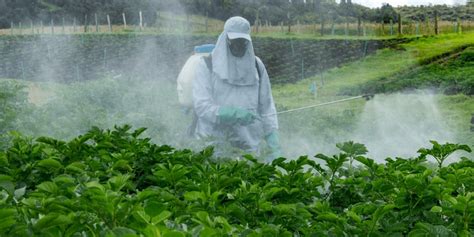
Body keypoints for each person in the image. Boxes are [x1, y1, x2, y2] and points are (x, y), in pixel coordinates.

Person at [192, 16, 281, 162]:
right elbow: (202, 106)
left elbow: (267, 107)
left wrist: (273, 140)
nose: (239, 45)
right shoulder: (207, 65)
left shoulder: (257, 66)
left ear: (248, 41)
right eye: (234, 41)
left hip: (248, 145)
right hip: (213, 144)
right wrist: (230, 113)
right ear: (225, 39)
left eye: (243, 41)